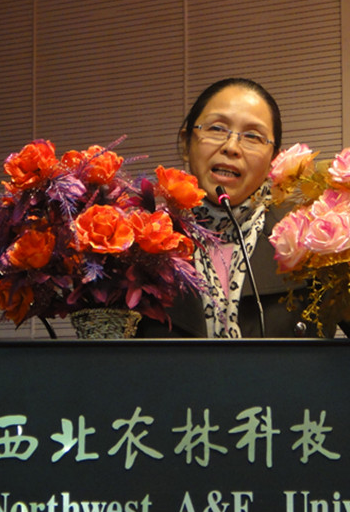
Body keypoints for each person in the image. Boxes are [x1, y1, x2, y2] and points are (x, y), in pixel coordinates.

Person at [137, 77, 337, 338]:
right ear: (187, 143)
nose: (231, 147)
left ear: (274, 159)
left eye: (253, 136)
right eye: (217, 129)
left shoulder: (311, 243)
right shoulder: (140, 246)